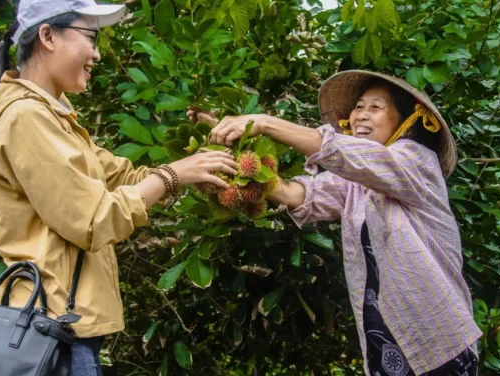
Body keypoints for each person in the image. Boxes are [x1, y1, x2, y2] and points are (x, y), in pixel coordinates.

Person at [0, 0, 238, 375]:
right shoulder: (26, 118)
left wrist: (201, 156)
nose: (96, 54)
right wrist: (173, 174)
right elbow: (91, 220)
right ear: (48, 36)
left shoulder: (53, 118)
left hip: (61, 329)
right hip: (52, 332)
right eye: (90, 38)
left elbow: (125, 177)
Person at [195, 70, 482, 376]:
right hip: (384, 339)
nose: (361, 115)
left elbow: (342, 153)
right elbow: (297, 194)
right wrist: (232, 155)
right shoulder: (358, 185)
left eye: (376, 107)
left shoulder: (416, 161)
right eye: (359, 106)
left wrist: (261, 122)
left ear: (407, 121)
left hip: (436, 341)